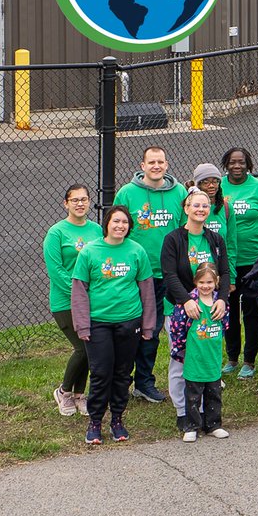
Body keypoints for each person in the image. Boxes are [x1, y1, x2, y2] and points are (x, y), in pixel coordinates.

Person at [71, 205, 156, 445]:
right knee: (100, 373)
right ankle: (95, 421)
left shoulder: (136, 251)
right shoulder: (90, 252)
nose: (120, 226)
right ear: (106, 223)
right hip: (99, 323)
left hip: (129, 321)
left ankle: (117, 419)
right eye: (115, 221)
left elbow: (147, 291)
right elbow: (79, 291)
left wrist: (147, 326)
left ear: (130, 226)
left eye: (125, 222)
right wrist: (83, 326)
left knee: (122, 373)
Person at [113, 145, 187, 403]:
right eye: (151, 162)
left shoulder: (179, 192)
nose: (156, 166)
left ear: (167, 165)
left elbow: (183, 233)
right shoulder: (127, 193)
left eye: (161, 162)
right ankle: (121, 381)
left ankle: (144, 382)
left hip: (168, 276)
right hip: (137, 277)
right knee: (130, 330)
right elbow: (116, 230)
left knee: (154, 332)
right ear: (142, 166)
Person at [162, 187, 231, 434]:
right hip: (182, 310)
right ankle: (184, 412)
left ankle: (204, 413)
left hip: (209, 309)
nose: (200, 209)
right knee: (182, 362)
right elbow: (169, 274)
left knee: (206, 359)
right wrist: (185, 301)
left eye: (205, 205)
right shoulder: (174, 239)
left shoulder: (215, 239)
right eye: (196, 205)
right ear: (186, 208)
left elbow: (224, 272)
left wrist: (222, 299)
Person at [44, 184, 102, 417]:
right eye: (74, 200)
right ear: (65, 203)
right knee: (82, 348)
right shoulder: (56, 233)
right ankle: (64, 391)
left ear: (89, 202)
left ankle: (79, 395)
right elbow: (56, 270)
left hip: (93, 299)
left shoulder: (97, 230)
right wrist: (79, 293)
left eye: (84, 199)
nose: (80, 203)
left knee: (90, 346)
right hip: (66, 301)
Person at [221, 147, 258, 379]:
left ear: (248, 164)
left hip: (253, 260)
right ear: (226, 164)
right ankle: (232, 357)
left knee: (251, 309)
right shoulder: (218, 187)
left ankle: (249, 360)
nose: (236, 166)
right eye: (232, 162)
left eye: (241, 162)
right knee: (227, 310)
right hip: (226, 260)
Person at [172, 263, 230, 442]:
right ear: (195, 281)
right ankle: (191, 426)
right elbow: (177, 329)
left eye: (210, 282)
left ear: (216, 282)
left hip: (212, 358)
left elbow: (225, 327)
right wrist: (181, 350)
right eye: (202, 282)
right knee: (193, 395)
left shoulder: (220, 304)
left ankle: (214, 425)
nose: (206, 286)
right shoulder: (189, 304)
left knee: (214, 394)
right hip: (194, 358)